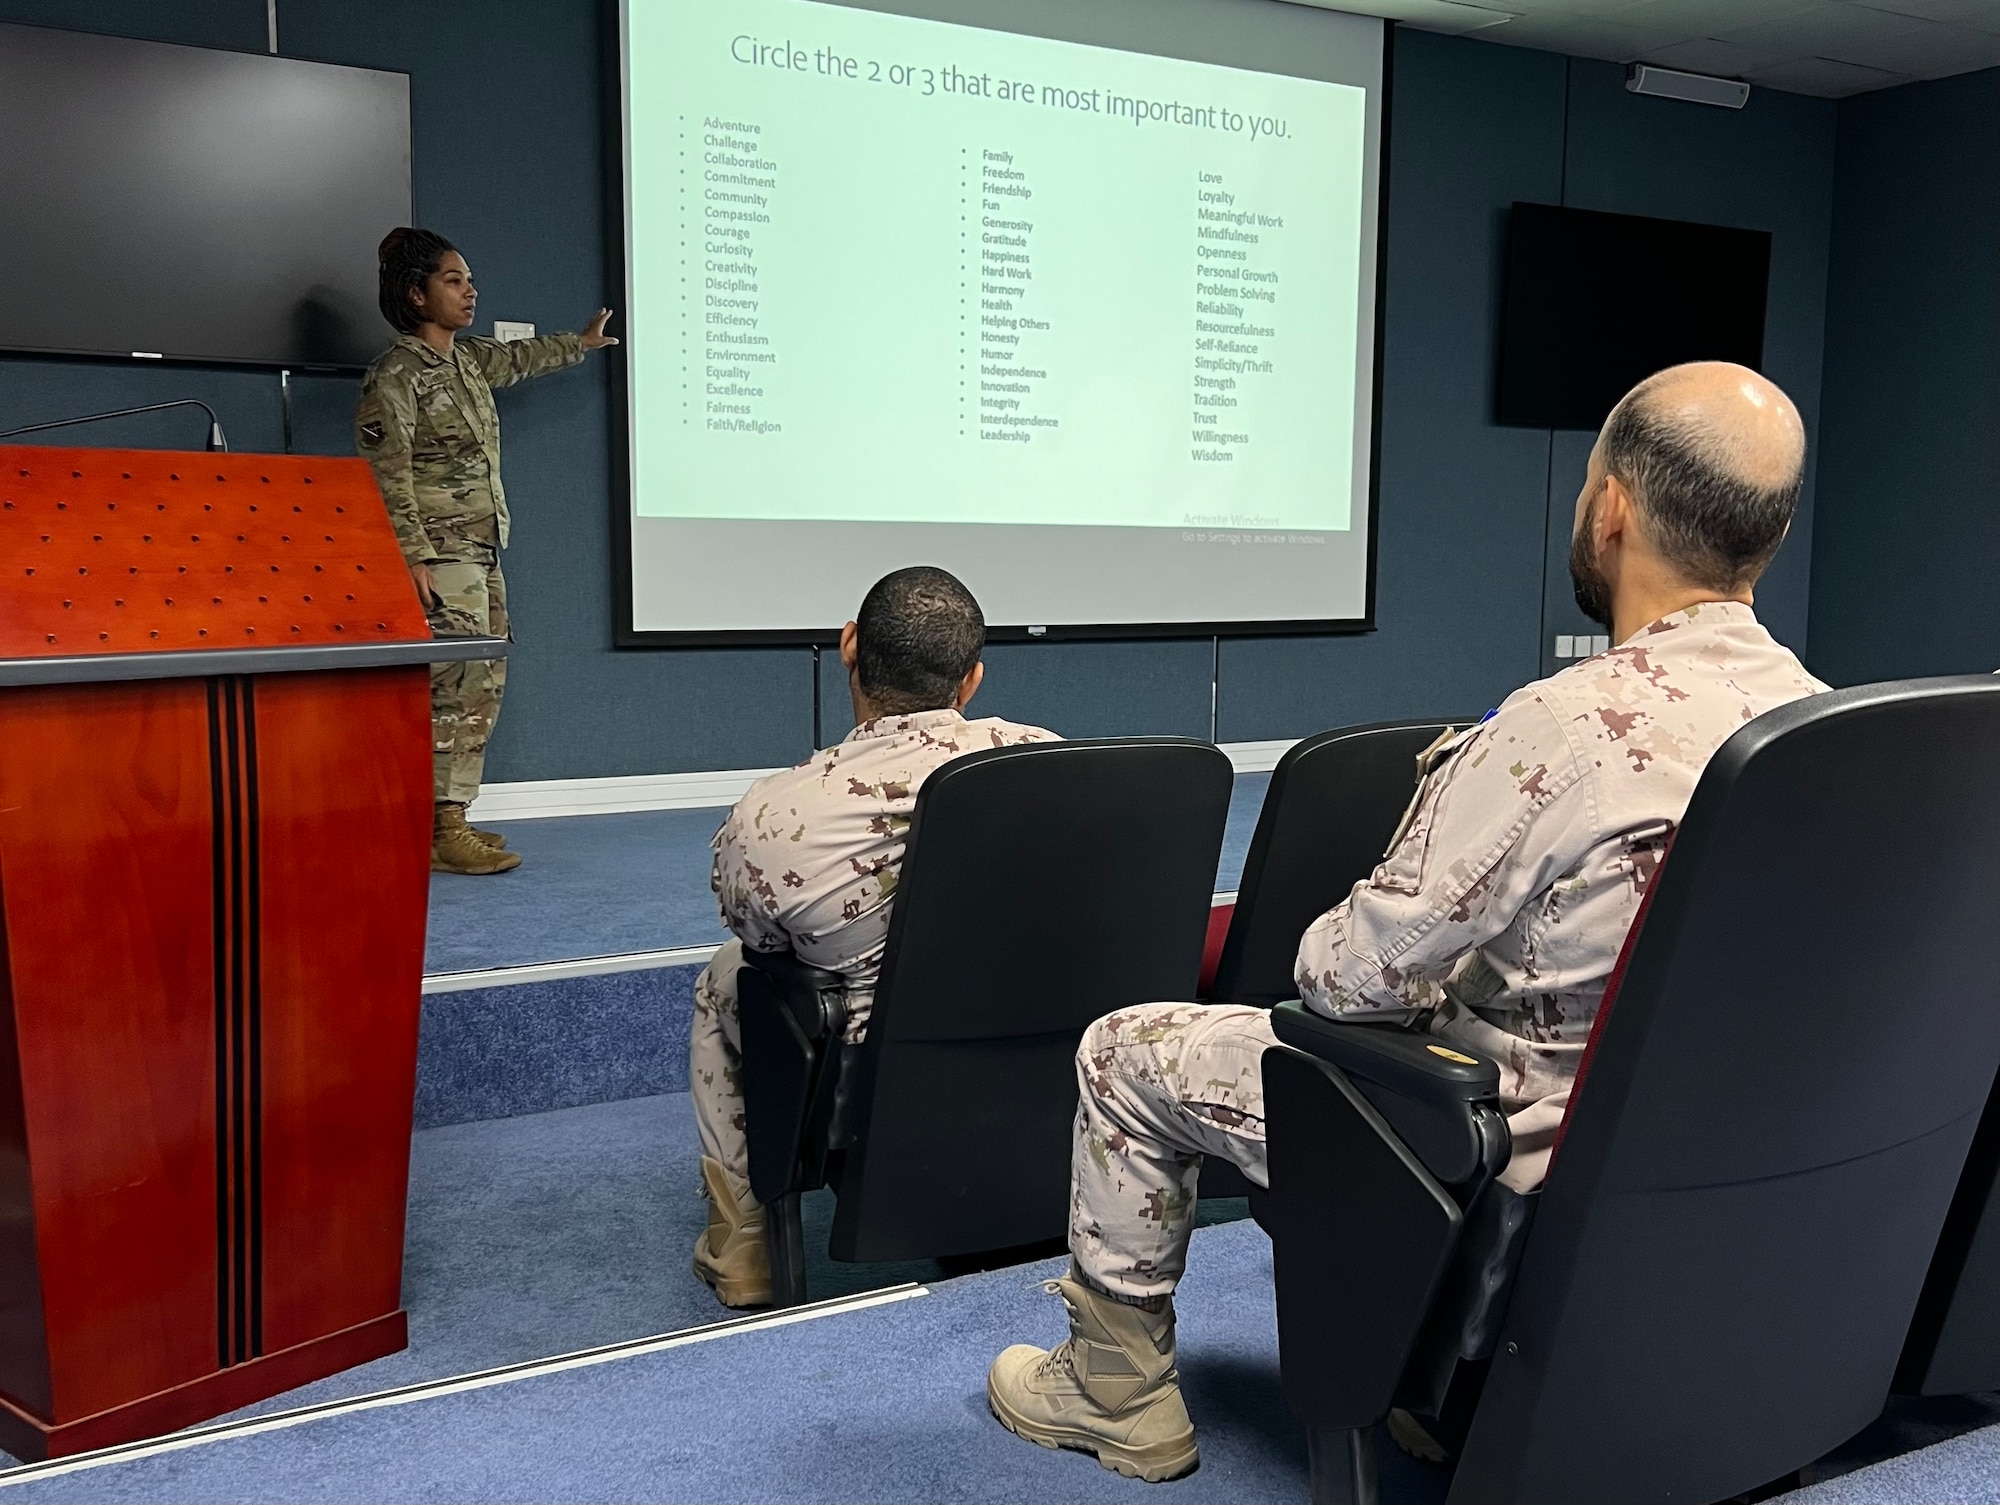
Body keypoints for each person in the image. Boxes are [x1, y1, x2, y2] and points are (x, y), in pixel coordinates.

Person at [985, 361, 1828, 1483]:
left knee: (1124, 1049)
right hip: (1705, 1164)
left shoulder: (1561, 730)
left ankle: (1113, 1389)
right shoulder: (1814, 727)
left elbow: (1345, 981)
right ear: (1761, 537)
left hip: (1499, 1152)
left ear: (1612, 507)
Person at [688, 566, 1059, 1307]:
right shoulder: (1050, 760)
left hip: (868, 1064)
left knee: (726, 977)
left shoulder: (775, 811)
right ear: (973, 679)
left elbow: (757, 937)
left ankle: (743, 1246)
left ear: (849, 647)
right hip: (1042, 1040)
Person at [355, 227, 618, 876]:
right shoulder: (397, 374)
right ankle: (440, 824)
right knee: (453, 685)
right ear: (416, 294)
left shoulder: (467, 361)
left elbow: (519, 360)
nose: (470, 290)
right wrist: (412, 556)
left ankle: (454, 819)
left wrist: (578, 344)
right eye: (453, 280)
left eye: (469, 278)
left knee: (483, 684)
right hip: (441, 556)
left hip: (481, 549)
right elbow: (384, 472)